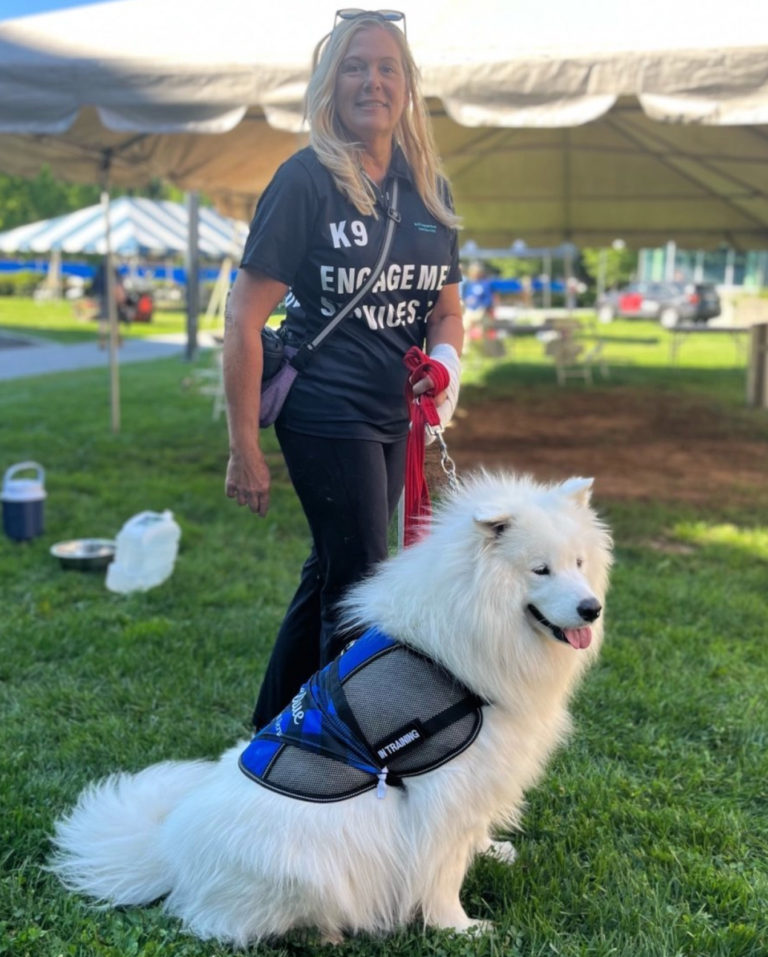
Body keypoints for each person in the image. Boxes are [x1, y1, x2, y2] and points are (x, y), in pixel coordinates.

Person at [223, 9, 464, 731]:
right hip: (324, 406)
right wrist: (243, 448)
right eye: (355, 66)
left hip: (393, 413)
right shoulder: (305, 181)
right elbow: (242, 317)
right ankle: (350, 754)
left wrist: (444, 369)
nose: (373, 81)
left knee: (334, 568)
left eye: (387, 67)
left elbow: (445, 312)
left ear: (408, 85)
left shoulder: (431, 188)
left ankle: (270, 730)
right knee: (364, 577)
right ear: (330, 86)